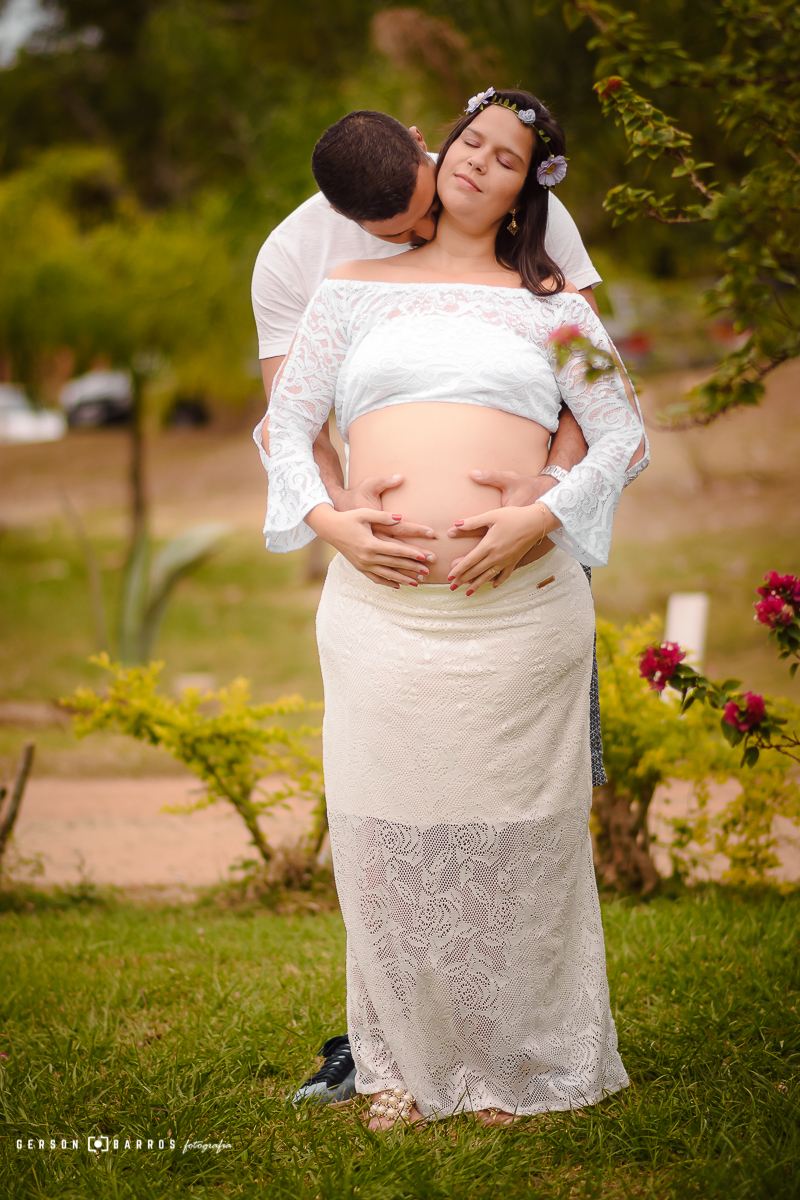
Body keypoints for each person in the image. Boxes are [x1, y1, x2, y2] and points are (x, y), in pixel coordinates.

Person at [256, 87, 648, 1127]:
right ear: (441, 152)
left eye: (507, 157)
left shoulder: (556, 309)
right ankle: (398, 1065)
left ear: (528, 189)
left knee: (521, 836)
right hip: (381, 620)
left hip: (520, 614)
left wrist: (545, 515)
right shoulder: (347, 291)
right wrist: (327, 519)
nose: (481, 162)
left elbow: (621, 435)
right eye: (471, 141)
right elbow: (282, 429)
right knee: (387, 838)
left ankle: (516, 1069)